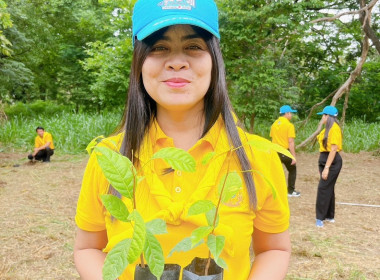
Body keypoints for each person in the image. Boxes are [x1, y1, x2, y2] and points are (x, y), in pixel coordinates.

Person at [74, 1, 291, 279]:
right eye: (159, 47)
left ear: (214, 60)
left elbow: (274, 249)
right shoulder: (108, 158)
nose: (177, 61)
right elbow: (87, 248)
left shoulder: (256, 157)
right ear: (139, 63)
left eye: (193, 47)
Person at [315, 105, 343, 228]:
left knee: (323, 188)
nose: (322, 117)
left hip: (331, 161)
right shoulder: (327, 129)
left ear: (328, 116)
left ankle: (320, 218)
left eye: (324, 115)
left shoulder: (334, 129)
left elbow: (333, 149)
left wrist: (326, 167)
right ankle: (329, 215)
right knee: (328, 187)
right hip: (324, 159)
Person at [270, 105, 300, 197]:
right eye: (290, 113)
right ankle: (290, 191)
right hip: (284, 151)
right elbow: (290, 142)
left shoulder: (274, 124)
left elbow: (272, 138)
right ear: (286, 113)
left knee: (276, 171)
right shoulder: (289, 125)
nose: (291, 115)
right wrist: (293, 156)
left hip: (275, 151)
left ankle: (275, 190)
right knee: (292, 169)